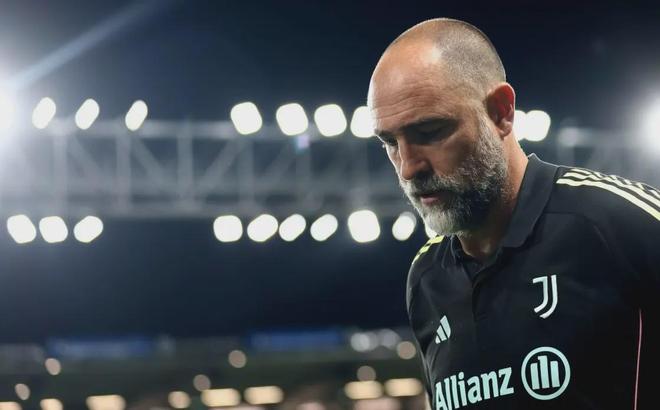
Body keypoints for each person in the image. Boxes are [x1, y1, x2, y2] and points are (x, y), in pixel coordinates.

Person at [367, 18, 660, 409]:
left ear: (501, 112)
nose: (408, 168)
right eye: (390, 142)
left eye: (430, 132)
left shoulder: (619, 223)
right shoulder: (426, 279)